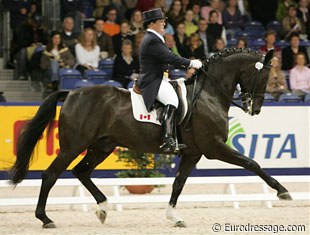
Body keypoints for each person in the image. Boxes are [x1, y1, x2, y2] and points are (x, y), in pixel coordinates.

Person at [137, 8, 202, 152]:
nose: (163, 24)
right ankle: (168, 139)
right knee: (172, 100)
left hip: (161, 78)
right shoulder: (152, 40)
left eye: (163, 21)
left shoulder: (155, 38)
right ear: (152, 23)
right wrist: (190, 63)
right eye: (161, 21)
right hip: (153, 80)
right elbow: (170, 58)